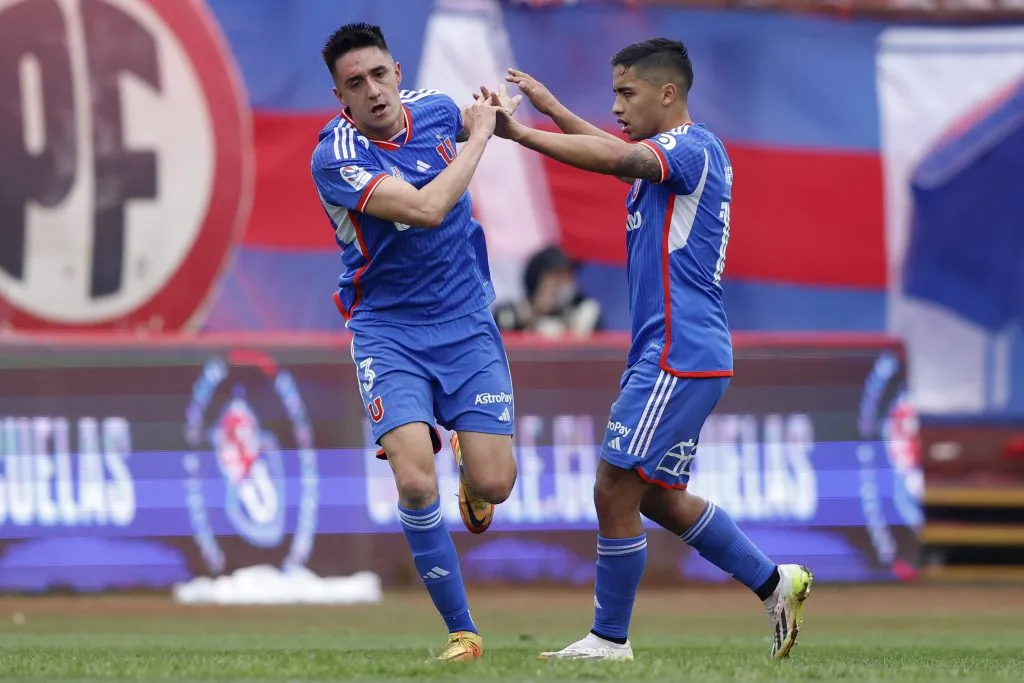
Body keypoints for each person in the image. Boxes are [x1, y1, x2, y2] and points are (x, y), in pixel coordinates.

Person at [491, 38, 813, 661]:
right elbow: (617, 153)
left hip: (679, 352)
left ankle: (610, 640)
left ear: (669, 94)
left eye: (626, 93)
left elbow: (616, 159)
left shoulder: (692, 147)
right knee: (657, 496)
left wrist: (522, 136)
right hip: (679, 352)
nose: (616, 105)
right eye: (613, 93)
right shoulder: (665, 156)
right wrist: (552, 109)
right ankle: (777, 585)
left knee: (614, 485)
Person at [310, 23, 522, 662]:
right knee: (414, 480)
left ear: (397, 71)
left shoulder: (431, 111)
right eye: (355, 84)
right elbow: (427, 209)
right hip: (388, 330)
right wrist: (481, 138)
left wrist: (492, 114)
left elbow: (472, 116)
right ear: (340, 98)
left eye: (378, 75)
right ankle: (463, 631)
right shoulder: (336, 156)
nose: (372, 91)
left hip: (465, 321)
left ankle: (470, 462)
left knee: (497, 482)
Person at [492, 245, 603, 336]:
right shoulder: (510, 313)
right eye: (557, 275)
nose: (565, 281)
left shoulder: (585, 310)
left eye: (568, 273)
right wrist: (534, 314)